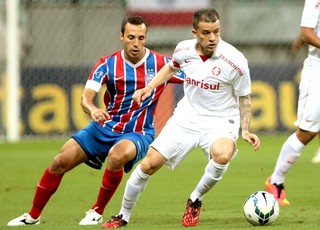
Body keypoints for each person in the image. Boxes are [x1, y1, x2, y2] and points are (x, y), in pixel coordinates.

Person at [7, 16, 183, 226]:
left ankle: (97, 211)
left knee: (117, 156)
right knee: (59, 162)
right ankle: (33, 216)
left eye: (141, 38)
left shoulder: (161, 64)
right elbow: (86, 97)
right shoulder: (108, 64)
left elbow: (195, 78)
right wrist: (93, 109)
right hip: (104, 126)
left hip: (138, 132)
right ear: (121, 36)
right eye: (131, 37)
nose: (136, 43)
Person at [101, 8, 260, 229]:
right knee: (148, 164)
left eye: (216, 32)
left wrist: (246, 129)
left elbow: (244, 97)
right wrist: (149, 87)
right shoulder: (183, 49)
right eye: (206, 33)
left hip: (221, 119)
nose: (212, 38)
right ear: (195, 32)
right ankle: (123, 215)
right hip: (187, 116)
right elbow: (170, 68)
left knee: (223, 155)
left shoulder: (235, 61)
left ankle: (195, 199)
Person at [265, 0, 320, 206]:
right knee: (306, 132)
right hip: (318, 70)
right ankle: (276, 181)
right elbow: (307, 32)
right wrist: (303, 38)